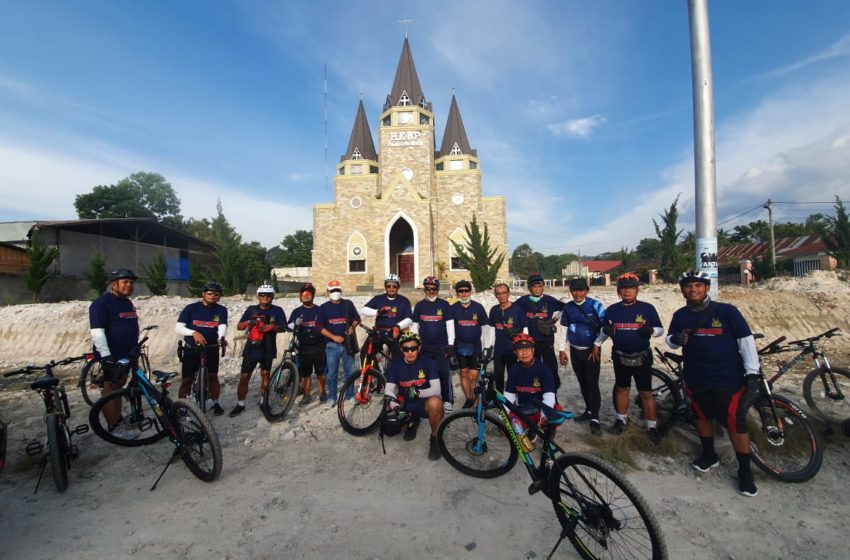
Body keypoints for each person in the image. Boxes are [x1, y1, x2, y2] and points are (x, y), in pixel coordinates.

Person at [667, 270, 762, 497]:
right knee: (701, 416)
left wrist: (751, 373)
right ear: (682, 289)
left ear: (706, 288)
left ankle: (745, 471)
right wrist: (675, 340)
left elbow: (745, 342)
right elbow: (670, 340)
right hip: (695, 376)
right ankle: (709, 455)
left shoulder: (727, 311)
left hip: (727, 377)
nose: (693, 289)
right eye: (688, 286)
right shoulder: (680, 315)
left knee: (734, 423)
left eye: (698, 285)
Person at [597, 273, 663, 441]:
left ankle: (651, 426)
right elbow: (605, 330)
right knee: (621, 388)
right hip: (620, 356)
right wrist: (598, 342)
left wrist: (652, 331)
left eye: (631, 289)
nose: (627, 292)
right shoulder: (612, 310)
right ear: (619, 291)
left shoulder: (647, 308)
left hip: (642, 356)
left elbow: (660, 330)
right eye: (624, 289)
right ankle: (621, 420)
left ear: (637, 290)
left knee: (646, 392)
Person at [89, 268, 140, 438]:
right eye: (125, 282)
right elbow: (97, 331)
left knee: (119, 387)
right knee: (110, 389)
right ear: (114, 284)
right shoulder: (101, 304)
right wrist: (106, 356)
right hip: (111, 354)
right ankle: (113, 427)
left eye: (131, 283)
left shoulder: (127, 303)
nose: (129, 285)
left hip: (127, 353)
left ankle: (118, 419)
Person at [556, 278, 606, 435]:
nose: (578, 293)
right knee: (583, 382)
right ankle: (589, 411)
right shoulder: (568, 307)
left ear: (587, 290)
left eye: (581, 290)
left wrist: (597, 344)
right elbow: (563, 328)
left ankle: (595, 419)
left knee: (592, 383)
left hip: (592, 351)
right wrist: (562, 350)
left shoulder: (596, 305)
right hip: (575, 351)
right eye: (575, 290)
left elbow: (606, 328)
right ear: (571, 292)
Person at [383, 332, 444, 460]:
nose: (410, 352)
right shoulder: (395, 364)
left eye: (413, 348)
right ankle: (412, 422)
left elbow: (437, 389)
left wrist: (418, 392)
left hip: (423, 402)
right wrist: (396, 409)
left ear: (419, 348)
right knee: (391, 426)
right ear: (401, 350)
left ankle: (435, 438)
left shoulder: (428, 362)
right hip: (405, 403)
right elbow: (388, 390)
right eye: (406, 349)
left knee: (436, 403)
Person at [229, 284, 286, 417]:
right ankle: (240, 404)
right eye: (262, 295)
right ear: (257, 296)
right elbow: (239, 326)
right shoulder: (251, 309)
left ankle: (263, 402)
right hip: (252, 347)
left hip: (268, 347)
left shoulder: (277, 310)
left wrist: (271, 327)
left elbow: (283, 328)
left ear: (273, 297)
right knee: (244, 376)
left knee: (265, 375)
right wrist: (249, 323)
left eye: (268, 295)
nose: (265, 297)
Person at [175, 282, 228, 415]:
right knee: (187, 380)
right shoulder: (191, 308)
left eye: (217, 294)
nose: (213, 296)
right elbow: (179, 327)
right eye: (210, 293)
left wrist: (221, 338)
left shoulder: (221, 310)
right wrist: (193, 333)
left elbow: (222, 326)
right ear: (203, 294)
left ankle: (215, 403)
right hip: (191, 347)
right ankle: (182, 406)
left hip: (211, 347)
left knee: (213, 377)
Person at [411, 276, 456, 413]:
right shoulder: (419, 306)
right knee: (426, 374)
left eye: (434, 289)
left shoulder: (444, 305)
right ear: (424, 289)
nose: (431, 291)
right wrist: (415, 343)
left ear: (438, 290)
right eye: (428, 289)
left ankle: (447, 399)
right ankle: (429, 397)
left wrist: (451, 344)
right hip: (424, 347)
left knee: (444, 373)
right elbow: (414, 326)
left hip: (441, 346)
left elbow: (450, 325)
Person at [515, 273, 564, 388]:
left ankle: (553, 388)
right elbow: (513, 311)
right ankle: (535, 388)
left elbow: (565, 308)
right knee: (532, 365)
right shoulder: (523, 301)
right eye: (534, 286)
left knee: (550, 365)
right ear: (529, 288)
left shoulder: (549, 300)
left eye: (540, 286)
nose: (537, 289)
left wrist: (555, 319)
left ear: (543, 286)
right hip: (530, 341)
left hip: (547, 339)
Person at [450, 280, 492, 409]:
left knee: (473, 376)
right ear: (457, 293)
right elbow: (449, 328)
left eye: (466, 291)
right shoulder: (452, 308)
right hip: (460, 346)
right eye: (460, 291)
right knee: (463, 373)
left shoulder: (478, 307)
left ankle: (475, 399)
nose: (463, 294)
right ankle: (469, 398)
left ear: (470, 292)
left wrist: (487, 346)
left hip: (475, 346)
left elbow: (485, 327)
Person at [505, 333, 557, 433]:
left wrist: (544, 417)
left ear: (533, 350)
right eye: (520, 350)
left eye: (528, 349)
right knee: (504, 429)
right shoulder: (513, 370)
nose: (524, 353)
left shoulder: (544, 369)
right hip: (524, 409)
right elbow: (509, 395)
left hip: (542, 408)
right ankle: (531, 429)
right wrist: (503, 416)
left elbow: (549, 396)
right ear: (515, 352)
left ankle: (543, 431)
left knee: (550, 422)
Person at [319, 280, 361, 404]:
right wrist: (333, 337)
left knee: (350, 372)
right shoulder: (323, 308)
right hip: (332, 346)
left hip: (348, 345)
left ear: (341, 291)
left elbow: (357, 318)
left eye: (337, 290)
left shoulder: (348, 304)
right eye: (332, 291)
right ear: (327, 292)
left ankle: (350, 395)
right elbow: (319, 327)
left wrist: (352, 326)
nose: (335, 293)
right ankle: (332, 397)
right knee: (332, 374)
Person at [289, 283, 326, 406]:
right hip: (304, 347)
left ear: (313, 296)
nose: (306, 295)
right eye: (303, 294)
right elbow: (288, 326)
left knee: (321, 372)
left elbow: (327, 326)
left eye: (309, 293)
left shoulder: (320, 310)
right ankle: (306, 395)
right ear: (300, 297)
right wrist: (295, 323)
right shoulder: (296, 311)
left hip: (320, 346)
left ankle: (322, 393)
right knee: (305, 373)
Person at [359, 273, 413, 359]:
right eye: (388, 286)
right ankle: (374, 372)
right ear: (385, 287)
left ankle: (394, 372)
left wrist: (398, 326)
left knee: (399, 357)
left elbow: (409, 319)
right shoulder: (378, 298)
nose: (391, 288)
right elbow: (363, 310)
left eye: (394, 286)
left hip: (394, 333)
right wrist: (377, 312)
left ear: (398, 287)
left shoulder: (404, 301)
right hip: (378, 333)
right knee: (365, 353)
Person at [488, 283, 528, 394]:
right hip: (499, 350)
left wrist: (523, 346)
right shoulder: (494, 310)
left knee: (513, 375)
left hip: (513, 350)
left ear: (508, 293)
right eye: (498, 294)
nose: (501, 296)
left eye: (504, 293)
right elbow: (491, 329)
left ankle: (513, 398)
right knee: (498, 375)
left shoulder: (517, 309)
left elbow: (525, 328)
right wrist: (489, 346)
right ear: (495, 295)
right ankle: (500, 400)